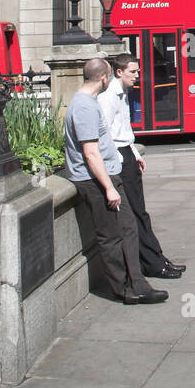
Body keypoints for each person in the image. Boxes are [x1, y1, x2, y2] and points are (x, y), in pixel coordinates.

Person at [64, 57, 167, 305]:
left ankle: (136, 283)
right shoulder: (85, 107)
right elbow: (90, 151)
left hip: (106, 175)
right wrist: (109, 188)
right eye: (109, 75)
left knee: (128, 228)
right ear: (103, 78)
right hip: (98, 180)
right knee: (113, 236)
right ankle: (128, 289)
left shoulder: (85, 102)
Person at [98, 53, 186, 280]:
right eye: (132, 72)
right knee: (136, 214)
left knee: (141, 213)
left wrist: (135, 153)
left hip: (126, 154)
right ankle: (154, 264)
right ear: (119, 72)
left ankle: (156, 258)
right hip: (118, 159)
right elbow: (104, 133)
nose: (137, 76)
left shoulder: (122, 93)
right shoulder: (108, 97)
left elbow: (123, 130)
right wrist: (119, 159)